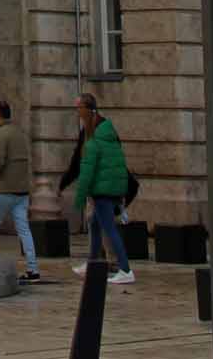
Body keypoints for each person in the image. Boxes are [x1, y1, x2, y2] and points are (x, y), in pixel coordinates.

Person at [71, 93, 135, 285]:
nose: (77, 112)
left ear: (86, 110)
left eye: (78, 108)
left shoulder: (94, 141)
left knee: (109, 229)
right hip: (112, 187)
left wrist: (80, 197)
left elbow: (87, 172)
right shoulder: (106, 133)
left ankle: (125, 269)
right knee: (94, 223)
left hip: (103, 191)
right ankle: (93, 263)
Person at [0, 98, 39, 284]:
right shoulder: (20, 133)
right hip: (21, 191)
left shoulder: (0, 135)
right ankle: (32, 269)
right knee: (24, 230)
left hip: (3, 189)